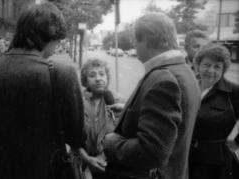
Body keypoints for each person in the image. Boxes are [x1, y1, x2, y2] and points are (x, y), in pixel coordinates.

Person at [0, 2, 85, 179]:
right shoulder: (63, 75)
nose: (54, 50)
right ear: (38, 38)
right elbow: (76, 137)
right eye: (54, 42)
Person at [102, 12, 201, 179]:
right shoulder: (185, 71)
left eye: (135, 39)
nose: (133, 44)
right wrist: (130, 110)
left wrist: (111, 143)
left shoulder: (163, 78)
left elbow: (152, 152)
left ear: (146, 39)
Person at [189, 43, 239, 179]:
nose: (211, 71)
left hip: (215, 164)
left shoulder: (233, 91)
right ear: (198, 65)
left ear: (223, 70)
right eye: (207, 65)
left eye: (217, 67)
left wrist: (236, 142)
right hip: (186, 158)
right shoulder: (188, 86)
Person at [78, 59, 120, 179]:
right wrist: (86, 158)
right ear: (85, 80)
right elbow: (70, 136)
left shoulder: (118, 101)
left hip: (109, 166)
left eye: (102, 74)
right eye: (92, 75)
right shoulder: (77, 101)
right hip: (83, 164)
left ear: (107, 77)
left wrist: (103, 156)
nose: (98, 78)